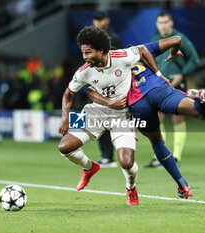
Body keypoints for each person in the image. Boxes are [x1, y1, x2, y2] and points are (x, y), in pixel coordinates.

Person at [86, 36, 205, 198]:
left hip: (138, 105)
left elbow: (95, 92)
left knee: (157, 141)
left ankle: (183, 185)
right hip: (158, 89)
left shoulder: (108, 69)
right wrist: (174, 52)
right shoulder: (138, 50)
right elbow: (176, 39)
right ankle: (201, 99)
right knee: (202, 114)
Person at [58, 26, 161, 206]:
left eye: (88, 53)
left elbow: (143, 50)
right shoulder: (84, 70)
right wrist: (65, 117)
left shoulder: (122, 57)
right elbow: (68, 93)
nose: (85, 57)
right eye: (83, 53)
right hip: (95, 112)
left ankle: (131, 187)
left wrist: (159, 75)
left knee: (127, 163)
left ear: (101, 50)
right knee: (64, 147)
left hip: (122, 115)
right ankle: (89, 167)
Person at [145, 11, 200, 168]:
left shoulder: (180, 39)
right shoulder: (155, 40)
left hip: (176, 83)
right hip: (159, 84)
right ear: (157, 24)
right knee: (157, 119)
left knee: (178, 119)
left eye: (165, 22)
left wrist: (182, 75)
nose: (163, 25)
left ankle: (176, 156)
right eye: (160, 22)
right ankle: (160, 157)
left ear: (171, 23)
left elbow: (194, 60)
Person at [92, 10, 123, 168]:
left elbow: (121, 62)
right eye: (95, 19)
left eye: (100, 19)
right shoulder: (90, 40)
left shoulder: (114, 39)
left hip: (112, 86)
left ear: (107, 21)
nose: (97, 22)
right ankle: (105, 155)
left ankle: (110, 156)